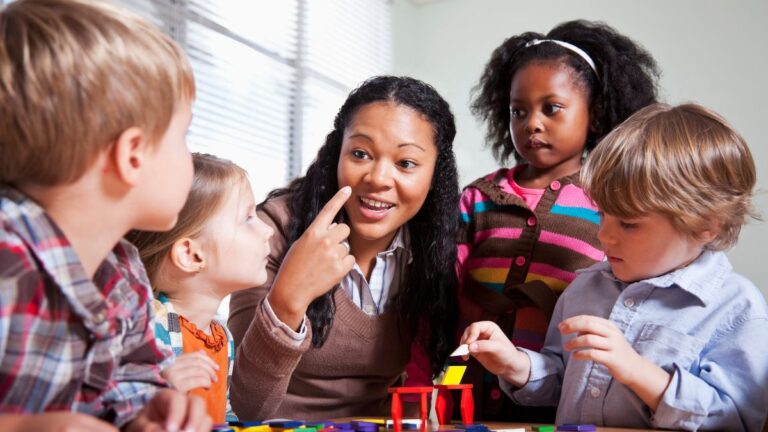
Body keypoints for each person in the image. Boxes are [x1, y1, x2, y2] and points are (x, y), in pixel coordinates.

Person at [461, 103, 768, 431]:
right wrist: (515, 364)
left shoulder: (737, 309)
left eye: (629, 224)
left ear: (706, 225)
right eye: (603, 215)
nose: (604, 234)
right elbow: (562, 380)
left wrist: (637, 370)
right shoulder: (586, 288)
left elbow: (736, 420)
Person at [0, 0, 210, 431]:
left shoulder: (125, 274)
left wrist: (149, 412)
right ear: (133, 154)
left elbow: (131, 380)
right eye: (183, 135)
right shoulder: (7, 261)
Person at [452, 19, 660, 420]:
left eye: (552, 108)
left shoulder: (611, 202)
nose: (532, 123)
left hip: (558, 396)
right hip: (464, 388)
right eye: (519, 111)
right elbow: (443, 289)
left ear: (595, 115)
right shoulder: (477, 198)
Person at [227, 76, 460, 420]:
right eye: (360, 154)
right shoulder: (272, 230)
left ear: (435, 175)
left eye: (406, 163)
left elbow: (419, 382)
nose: (378, 178)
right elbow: (249, 406)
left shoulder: (433, 247)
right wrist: (289, 297)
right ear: (337, 153)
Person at [127, 153, 274, 423]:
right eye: (247, 218)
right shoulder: (147, 330)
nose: (267, 231)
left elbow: (219, 415)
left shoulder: (221, 337)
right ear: (192, 255)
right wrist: (158, 392)